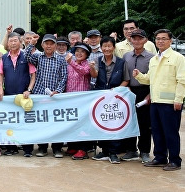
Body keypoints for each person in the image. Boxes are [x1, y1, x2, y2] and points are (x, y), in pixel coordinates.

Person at [134, 29, 185, 171]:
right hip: (156, 101)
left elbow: (182, 81)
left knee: (170, 132)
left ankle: (175, 160)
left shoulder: (178, 58)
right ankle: (160, 157)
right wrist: (139, 75)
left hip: (170, 103)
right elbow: (149, 79)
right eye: (158, 38)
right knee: (157, 131)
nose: (160, 41)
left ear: (170, 41)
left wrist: (179, 99)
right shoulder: (154, 59)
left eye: (164, 38)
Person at [25, 33, 68, 158]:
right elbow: (27, 56)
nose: (49, 46)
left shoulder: (61, 59)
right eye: (46, 43)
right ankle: (42, 148)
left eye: (51, 43)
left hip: (55, 97)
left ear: (55, 45)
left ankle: (57, 148)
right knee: (41, 122)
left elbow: (64, 77)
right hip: (39, 94)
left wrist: (58, 91)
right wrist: (32, 43)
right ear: (42, 45)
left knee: (56, 123)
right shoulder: (38, 57)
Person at [0, 32, 36, 157]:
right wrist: (0, 89)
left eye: (15, 41)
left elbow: (33, 75)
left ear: (20, 42)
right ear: (7, 43)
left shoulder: (26, 56)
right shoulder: (3, 57)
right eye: (10, 41)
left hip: (23, 95)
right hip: (8, 94)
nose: (13, 43)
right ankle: (11, 148)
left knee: (25, 122)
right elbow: (0, 74)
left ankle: (27, 149)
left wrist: (29, 90)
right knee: (10, 122)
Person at [91, 36, 128, 164]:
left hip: (115, 99)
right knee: (102, 123)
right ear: (101, 48)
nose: (107, 49)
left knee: (114, 124)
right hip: (101, 97)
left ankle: (114, 153)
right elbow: (94, 76)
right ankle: (105, 151)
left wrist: (117, 91)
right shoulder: (97, 60)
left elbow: (126, 80)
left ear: (114, 47)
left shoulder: (121, 62)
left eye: (109, 46)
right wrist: (92, 68)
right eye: (104, 46)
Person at [120, 29, 154, 163]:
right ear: (131, 40)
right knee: (129, 121)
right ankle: (131, 150)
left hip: (145, 90)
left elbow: (154, 78)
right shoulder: (126, 56)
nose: (137, 41)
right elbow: (123, 74)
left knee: (145, 123)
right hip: (129, 90)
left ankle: (144, 151)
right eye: (134, 38)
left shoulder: (151, 57)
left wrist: (151, 93)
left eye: (140, 38)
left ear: (145, 40)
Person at [63, 43, 92, 160]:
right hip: (70, 99)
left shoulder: (88, 64)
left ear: (87, 54)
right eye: (77, 51)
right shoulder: (69, 64)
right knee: (72, 123)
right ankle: (73, 146)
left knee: (82, 125)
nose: (79, 53)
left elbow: (84, 72)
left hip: (82, 100)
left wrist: (72, 62)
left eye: (82, 51)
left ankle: (83, 149)